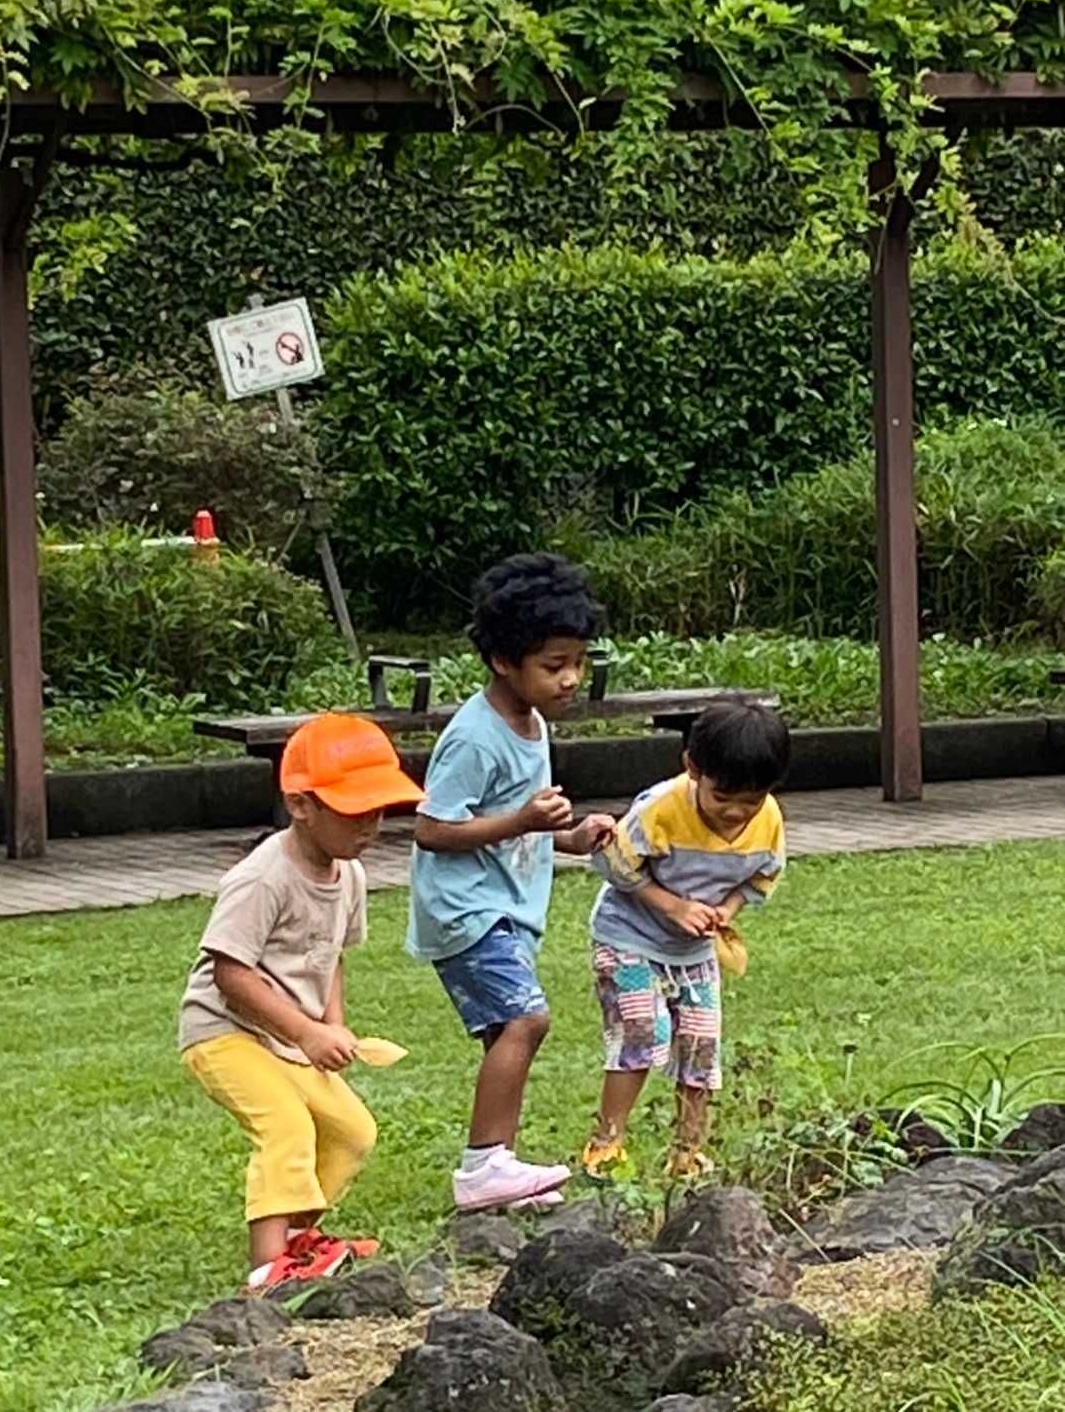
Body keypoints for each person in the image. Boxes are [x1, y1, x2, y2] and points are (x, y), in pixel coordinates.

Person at [179, 713, 423, 1291]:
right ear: (300, 804)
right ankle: (268, 1270)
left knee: (352, 1131)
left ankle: (298, 1239)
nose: (369, 826)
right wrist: (306, 1032)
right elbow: (230, 974)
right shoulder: (262, 879)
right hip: (223, 1032)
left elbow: (331, 956)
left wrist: (331, 1026)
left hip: (289, 1034)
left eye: (378, 810)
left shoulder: (350, 874)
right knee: (285, 1124)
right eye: (353, 811)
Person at [408, 552, 615, 1211]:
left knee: (508, 1031)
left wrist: (571, 836)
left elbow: (520, 824)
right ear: (503, 660)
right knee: (527, 1018)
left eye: (577, 661)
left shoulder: (533, 723)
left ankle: (499, 1167)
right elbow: (432, 828)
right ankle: (482, 1167)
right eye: (554, 665)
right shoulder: (474, 737)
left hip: (502, 907)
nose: (570, 678)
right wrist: (523, 819)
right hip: (466, 910)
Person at [583, 697, 790, 1180]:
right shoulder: (661, 808)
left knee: (700, 1043)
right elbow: (613, 863)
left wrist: (726, 911)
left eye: (751, 801)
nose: (735, 812)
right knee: (642, 1031)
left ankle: (688, 1152)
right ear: (693, 769)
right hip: (628, 938)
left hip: (692, 951)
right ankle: (606, 1144)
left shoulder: (768, 819)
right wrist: (673, 906)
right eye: (723, 797)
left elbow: (761, 876)